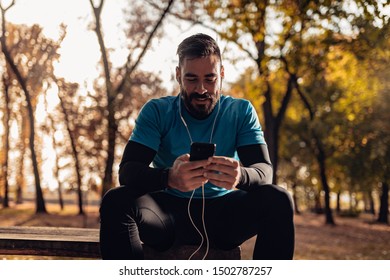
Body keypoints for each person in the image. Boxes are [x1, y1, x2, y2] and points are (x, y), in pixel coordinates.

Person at [99, 33, 295, 260]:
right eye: (191, 79)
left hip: (225, 217)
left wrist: (240, 176)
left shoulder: (241, 111)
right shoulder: (157, 111)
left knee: (279, 199)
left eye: (210, 79)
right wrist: (169, 178)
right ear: (178, 75)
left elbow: (264, 171)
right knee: (116, 200)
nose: (201, 89)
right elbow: (128, 171)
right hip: (166, 217)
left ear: (221, 74)